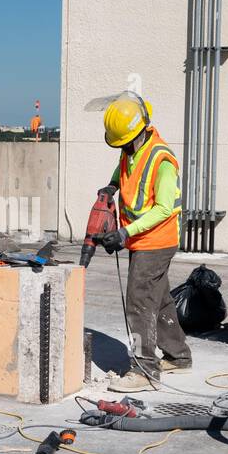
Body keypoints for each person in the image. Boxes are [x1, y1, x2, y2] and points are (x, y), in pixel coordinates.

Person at [95, 93, 191, 392]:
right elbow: (122, 170)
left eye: (123, 141)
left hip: (156, 241)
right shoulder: (132, 149)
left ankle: (144, 370)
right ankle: (178, 356)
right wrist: (111, 187)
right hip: (140, 238)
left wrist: (124, 233)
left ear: (138, 133)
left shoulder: (162, 160)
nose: (120, 147)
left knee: (139, 302)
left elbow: (164, 209)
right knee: (159, 299)